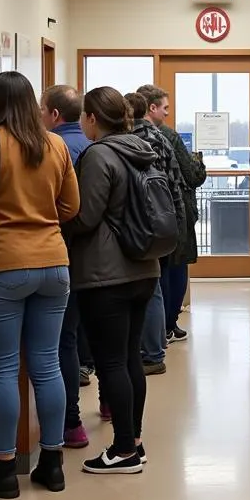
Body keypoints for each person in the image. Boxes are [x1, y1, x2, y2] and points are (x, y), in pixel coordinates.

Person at [0, 71, 80, 498]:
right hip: (54, 265)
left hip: (4, 266)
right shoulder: (56, 143)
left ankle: (3, 470)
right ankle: (53, 463)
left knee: (4, 370)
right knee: (46, 365)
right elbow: (71, 206)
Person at [63, 87, 161, 474]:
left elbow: (86, 217)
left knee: (111, 363)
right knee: (130, 358)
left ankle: (122, 451)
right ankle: (134, 441)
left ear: (91, 118)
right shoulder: (141, 149)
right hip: (144, 266)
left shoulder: (100, 155)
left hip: (107, 274)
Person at [42, 84, 94, 447]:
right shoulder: (92, 148)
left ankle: (71, 424)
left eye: (41, 109)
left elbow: (64, 209)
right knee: (93, 336)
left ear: (54, 115)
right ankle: (107, 406)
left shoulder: (50, 149)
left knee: (65, 340)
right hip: (96, 258)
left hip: (62, 254)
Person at [138, 83, 208, 342]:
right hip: (173, 212)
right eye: (165, 108)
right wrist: (198, 161)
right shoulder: (167, 136)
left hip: (143, 217)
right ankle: (168, 324)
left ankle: (155, 330)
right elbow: (192, 176)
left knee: (155, 271)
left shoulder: (124, 135)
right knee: (174, 268)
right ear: (152, 108)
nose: (168, 113)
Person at [126, 91, 186, 374]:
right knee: (156, 287)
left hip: (143, 225)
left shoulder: (135, 141)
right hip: (163, 223)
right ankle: (155, 346)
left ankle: (150, 351)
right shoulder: (161, 137)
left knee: (149, 289)